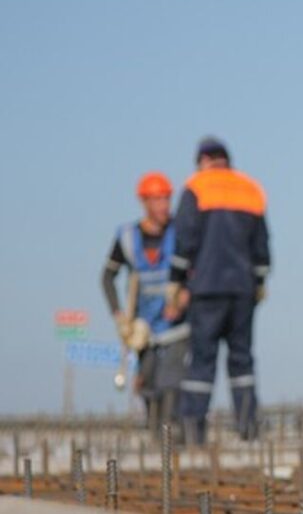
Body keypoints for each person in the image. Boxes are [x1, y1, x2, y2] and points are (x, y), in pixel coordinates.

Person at [168, 136, 271, 444]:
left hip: (207, 289)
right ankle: (248, 426)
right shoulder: (250, 188)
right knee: (242, 359)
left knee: (202, 359)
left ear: (203, 160)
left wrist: (176, 280)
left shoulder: (197, 187)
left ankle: (192, 431)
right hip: (242, 289)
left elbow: (185, 239)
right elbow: (262, 246)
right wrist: (260, 282)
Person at [101, 171, 188, 437]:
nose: (164, 206)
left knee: (170, 381)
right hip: (143, 328)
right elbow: (107, 277)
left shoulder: (181, 233)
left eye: (166, 199)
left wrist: (185, 297)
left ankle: (174, 439)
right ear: (145, 202)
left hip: (177, 324)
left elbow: (198, 271)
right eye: (157, 200)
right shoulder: (127, 238)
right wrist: (119, 316)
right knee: (148, 382)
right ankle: (156, 437)